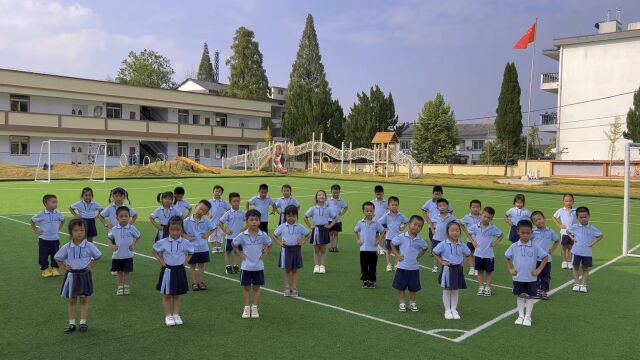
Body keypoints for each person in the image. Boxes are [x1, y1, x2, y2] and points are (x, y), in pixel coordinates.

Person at [54, 218, 102, 333]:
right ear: (71, 232)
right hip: (72, 276)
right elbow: (58, 257)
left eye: (82, 230)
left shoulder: (89, 245)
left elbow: (98, 256)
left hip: (84, 275)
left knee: (84, 299)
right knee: (72, 300)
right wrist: (64, 266)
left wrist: (91, 265)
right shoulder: (67, 246)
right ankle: (71, 324)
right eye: (76, 230)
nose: (79, 233)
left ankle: (83, 322)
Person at [505, 219, 549, 327]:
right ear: (518, 232)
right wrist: (510, 269)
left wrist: (539, 270)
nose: (525, 235)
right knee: (520, 296)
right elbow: (506, 257)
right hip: (518, 278)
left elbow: (545, 257)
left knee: (530, 297)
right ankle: (520, 316)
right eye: (523, 233)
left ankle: (528, 317)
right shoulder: (514, 246)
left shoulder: (535, 246)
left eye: (528, 233)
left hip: (531, 278)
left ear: (531, 233)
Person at [153, 216, 195, 326]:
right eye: (172, 230)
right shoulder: (163, 242)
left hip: (179, 270)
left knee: (177, 294)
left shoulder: (185, 242)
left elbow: (191, 252)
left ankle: (176, 314)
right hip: (167, 270)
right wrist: (162, 262)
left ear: (182, 230)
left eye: (178, 230)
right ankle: (168, 316)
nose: (175, 233)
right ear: (168, 229)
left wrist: (185, 262)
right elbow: (154, 251)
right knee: (167, 294)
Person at [233, 209, 272, 319]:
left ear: (259, 222)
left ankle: (255, 307)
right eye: (251, 220)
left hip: (258, 267)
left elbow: (269, 244)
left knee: (256, 288)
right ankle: (246, 307)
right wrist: (240, 253)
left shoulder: (262, 235)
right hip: (246, 267)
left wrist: (265, 253)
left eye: (256, 220)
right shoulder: (242, 235)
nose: (254, 222)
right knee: (246, 288)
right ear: (247, 221)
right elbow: (234, 244)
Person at [433, 222, 471, 319]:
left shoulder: (462, 245)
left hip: (458, 269)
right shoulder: (443, 244)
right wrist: (441, 261)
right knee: (447, 289)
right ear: (447, 232)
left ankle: (454, 309)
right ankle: (447, 310)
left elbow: (468, 254)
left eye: (457, 231)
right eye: (452, 230)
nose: (455, 233)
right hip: (447, 269)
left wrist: (463, 262)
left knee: (455, 290)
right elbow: (435, 252)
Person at [391, 215, 428, 312]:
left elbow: (425, 248)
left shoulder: (420, 240)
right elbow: (392, 243)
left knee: (413, 287)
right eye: (414, 224)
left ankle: (412, 302)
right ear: (409, 224)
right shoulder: (401, 237)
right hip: (402, 267)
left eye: (419, 226)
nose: (416, 227)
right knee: (401, 286)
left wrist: (419, 256)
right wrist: (397, 255)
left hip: (414, 268)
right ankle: (402, 302)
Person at [273, 205, 310, 297]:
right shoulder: (282, 226)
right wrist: (280, 243)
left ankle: (294, 288)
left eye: (293, 216)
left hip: (296, 249)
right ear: (285, 216)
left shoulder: (299, 226)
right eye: (289, 216)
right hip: (286, 250)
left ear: (296, 216)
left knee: (294, 270)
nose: (291, 218)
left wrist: (302, 241)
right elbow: (274, 235)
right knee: (287, 270)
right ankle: (286, 288)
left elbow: (308, 234)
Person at [467, 207, 503, 296]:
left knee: (489, 272)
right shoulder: (475, 227)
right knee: (479, 271)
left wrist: (495, 243)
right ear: (481, 215)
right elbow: (468, 232)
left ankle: (488, 288)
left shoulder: (493, 228)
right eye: (485, 216)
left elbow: (501, 235)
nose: (486, 219)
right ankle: (480, 287)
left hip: (489, 255)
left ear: (491, 219)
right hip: (478, 254)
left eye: (489, 218)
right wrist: (473, 241)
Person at [567, 206, 603, 293]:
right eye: (581, 217)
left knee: (586, 269)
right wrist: (572, 238)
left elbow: (600, 235)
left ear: (589, 216)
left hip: (587, 253)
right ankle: (576, 283)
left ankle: (583, 284)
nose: (583, 219)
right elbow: (568, 231)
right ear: (577, 218)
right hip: (576, 252)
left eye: (585, 217)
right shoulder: (575, 227)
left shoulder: (592, 228)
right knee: (575, 268)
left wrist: (593, 243)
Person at [107, 207, 141, 296]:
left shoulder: (131, 228)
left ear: (129, 217)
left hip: (128, 255)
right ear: (117, 218)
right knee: (118, 272)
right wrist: (112, 246)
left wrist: (134, 245)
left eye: (126, 216)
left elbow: (138, 237)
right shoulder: (114, 229)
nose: (124, 218)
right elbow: (109, 239)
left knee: (127, 272)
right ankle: (119, 287)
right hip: (117, 256)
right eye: (121, 216)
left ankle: (126, 287)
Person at [183, 200, 215, 291]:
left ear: (206, 213)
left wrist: (207, 234)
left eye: (204, 211)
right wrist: (186, 237)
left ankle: (201, 282)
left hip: (203, 248)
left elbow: (213, 228)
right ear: (196, 206)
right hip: (191, 248)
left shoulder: (206, 221)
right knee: (192, 266)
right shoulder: (186, 221)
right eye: (200, 209)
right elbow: (180, 230)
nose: (201, 211)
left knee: (201, 266)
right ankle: (194, 283)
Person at [30, 194, 65, 277]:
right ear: (46, 204)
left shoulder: (58, 213)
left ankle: (55, 268)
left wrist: (58, 229)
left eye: (56, 202)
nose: (56, 204)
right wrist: (36, 230)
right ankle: (44, 269)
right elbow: (31, 221)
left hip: (55, 239)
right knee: (43, 255)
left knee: (55, 255)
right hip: (44, 240)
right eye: (53, 202)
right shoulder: (41, 214)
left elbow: (63, 220)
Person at [304, 190, 338, 274]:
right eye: (319, 195)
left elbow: (335, 217)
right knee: (316, 250)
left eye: (323, 195)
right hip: (316, 230)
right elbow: (305, 217)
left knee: (323, 250)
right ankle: (316, 266)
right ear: (316, 197)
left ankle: (322, 266)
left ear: (325, 197)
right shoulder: (313, 208)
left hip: (324, 229)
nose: (321, 196)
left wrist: (330, 226)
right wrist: (310, 226)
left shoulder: (328, 209)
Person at [354, 202, 385, 289]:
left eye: (371, 211)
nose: (369, 212)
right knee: (363, 266)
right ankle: (365, 280)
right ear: (363, 211)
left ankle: (371, 281)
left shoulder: (376, 223)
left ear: (374, 211)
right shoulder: (360, 222)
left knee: (372, 266)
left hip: (373, 249)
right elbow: (355, 231)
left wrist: (378, 240)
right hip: (363, 249)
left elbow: (382, 231)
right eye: (367, 211)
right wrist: (357, 240)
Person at [531, 211, 559, 300]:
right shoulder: (533, 232)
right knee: (535, 276)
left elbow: (557, 240)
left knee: (545, 276)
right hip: (535, 259)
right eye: (535, 221)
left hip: (547, 260)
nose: (538, 221)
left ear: (544, 218)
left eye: (540, 219)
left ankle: (544, 291)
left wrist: (552, 250)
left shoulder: (550, 231)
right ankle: (535, 290)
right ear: (533, 223)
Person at [378, 196, 408, 272]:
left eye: (396, 205)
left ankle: (397, 264)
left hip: (398, 237)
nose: (394, 207)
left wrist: (403, 228)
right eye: (392, 205)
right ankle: (388, 265)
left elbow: (407, 221)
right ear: (388, 206)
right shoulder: (386, 216)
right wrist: (384, 229)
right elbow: (379, 222)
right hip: (389, 237)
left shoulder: (401, 216)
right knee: (388, 251)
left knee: (397, 252)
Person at [219, 192, 245, 274]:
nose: (236, 203)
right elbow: (220, 222)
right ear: (230, 202)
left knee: (237, 252)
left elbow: (248, 220)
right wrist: (225, 231)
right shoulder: (228, 213)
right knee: (228, 251)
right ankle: (228, 266)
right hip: (229, 237)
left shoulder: (242, 212)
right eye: (234, 201)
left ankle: (236, 266)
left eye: (237, 201)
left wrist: (245, 228)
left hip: (239, 237)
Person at [429, 198, 457, 273]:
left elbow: (455, 225)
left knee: (446, 254)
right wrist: (432, 230)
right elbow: (431, 222)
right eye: (440, 206)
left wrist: (452, 234)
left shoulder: (451, 217)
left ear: (447, 206)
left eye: (444, 205)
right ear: (437, 207)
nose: (442, 207)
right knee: (435, 253)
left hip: (446, 239)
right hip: (436, 238)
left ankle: (445, 266)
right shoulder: (436, 216)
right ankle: (435, 266)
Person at [552, 194, 577, 270]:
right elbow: (554, 217)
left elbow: (579, 219)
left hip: (572, 233)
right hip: (564, 233)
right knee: (564, 247)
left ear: (573, 201)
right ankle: (564, 261)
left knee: (570, 247)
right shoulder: (561, 210)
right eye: (566, 201)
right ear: (563, 201)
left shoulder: (575, 211)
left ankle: (569, 262)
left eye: (570, 201)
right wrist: (559, 225)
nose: (568, 203)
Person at [460, 200, 482, 276]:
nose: (476, 209)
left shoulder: (482, 217)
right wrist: (466, 233)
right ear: (470, 208)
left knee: (477, 255)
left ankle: (477, 268)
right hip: (470, 240)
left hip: (480, 240)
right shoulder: (467, 217)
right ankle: (472, 268)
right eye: (473, 207)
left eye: (478, 207)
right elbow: (461, 224)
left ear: (480, 208)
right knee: (470, 254)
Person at [208, 185, 231, 254]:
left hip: (221, 223)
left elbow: (229, 209)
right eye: (216, 191)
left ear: (221, 193)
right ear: (213, 192)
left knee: (220, 235)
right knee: (212, 235)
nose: (217, 192)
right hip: (212, 222)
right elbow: (205, 209)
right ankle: (214, 248)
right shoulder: (210, 202)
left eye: (219, 191)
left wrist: (226, 217)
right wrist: (208, 214)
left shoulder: (224, 202)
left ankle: (218, 248)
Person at [327, 184, 348, 252]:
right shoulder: (328, 200)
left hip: (338, 220)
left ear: (339, 192)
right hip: (329, 220)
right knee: (330, 233)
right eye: (334, 192)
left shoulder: (341, 200)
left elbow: (346, 207)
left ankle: (335, 247)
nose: (335, 194)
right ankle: (331, 247)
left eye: (337, 192)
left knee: (336, 233)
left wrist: (341, 213)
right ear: (331, 192)